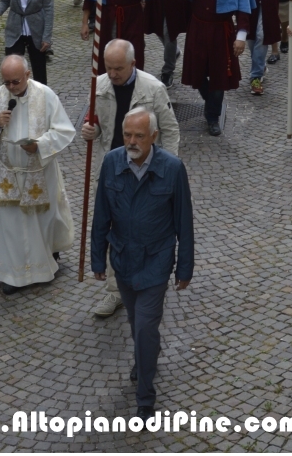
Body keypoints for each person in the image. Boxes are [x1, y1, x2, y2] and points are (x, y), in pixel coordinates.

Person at [91, 107, 193, 420]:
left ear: (153, 137)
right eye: (127, 135)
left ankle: (145, 396)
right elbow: (101, 215)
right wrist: (97, 258)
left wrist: (184, 268)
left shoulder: (172, 168)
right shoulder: (112, 162)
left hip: (156, 261)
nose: (132, 141)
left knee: (146, 325)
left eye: (139, 135)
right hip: (122, 260)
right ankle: (145, 356)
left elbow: (183, 222)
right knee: (138, 325)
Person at [82, 40, 180, 317]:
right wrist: (90, 131)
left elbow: (170, 130)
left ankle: (149, 283)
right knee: (115, 231)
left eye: (119, 69)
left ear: (133, 65)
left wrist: (167, 170)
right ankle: (116, 292)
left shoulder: (153, 89)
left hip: (149, 171)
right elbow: (97, 126)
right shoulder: (98, 86)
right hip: (113, 171)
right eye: (109, 68)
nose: (112, 74)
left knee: (150, 229)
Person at [0, 54, 75, 294]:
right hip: (7, 174)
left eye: (15, 82)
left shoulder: (45, 95)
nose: (10, 87)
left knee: (39, 222)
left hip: (38, 171)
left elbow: (63, 130)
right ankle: (12, 276)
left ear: (28, 75)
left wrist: (39, 145)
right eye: (6, 82)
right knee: (10, 225)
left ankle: (42, 269)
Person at [174, 0, 255, 135]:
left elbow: (243, 9)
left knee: (219, 75)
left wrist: (241, 38)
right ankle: (211, 102)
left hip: (222, 31)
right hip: (198, 28)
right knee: (197, 71)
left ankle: (212, 116)